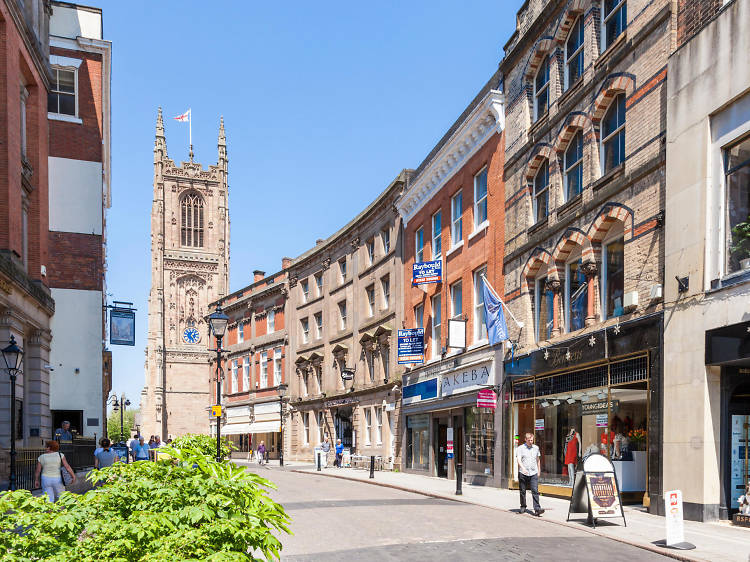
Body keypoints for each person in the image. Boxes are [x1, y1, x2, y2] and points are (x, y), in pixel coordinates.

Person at [516, 433, 544, 516]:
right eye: (529, 440)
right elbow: (519, 460)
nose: (531, 442)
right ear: (525, 439)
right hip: (523, 473)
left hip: (533, 473)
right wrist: (522, 468)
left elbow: (538, 460)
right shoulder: (520, 448)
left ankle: (537, 509)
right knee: (522, 491)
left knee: (535, 490)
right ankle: (523, 506)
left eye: (532, 440)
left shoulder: (536, 448)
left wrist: (539, 470)